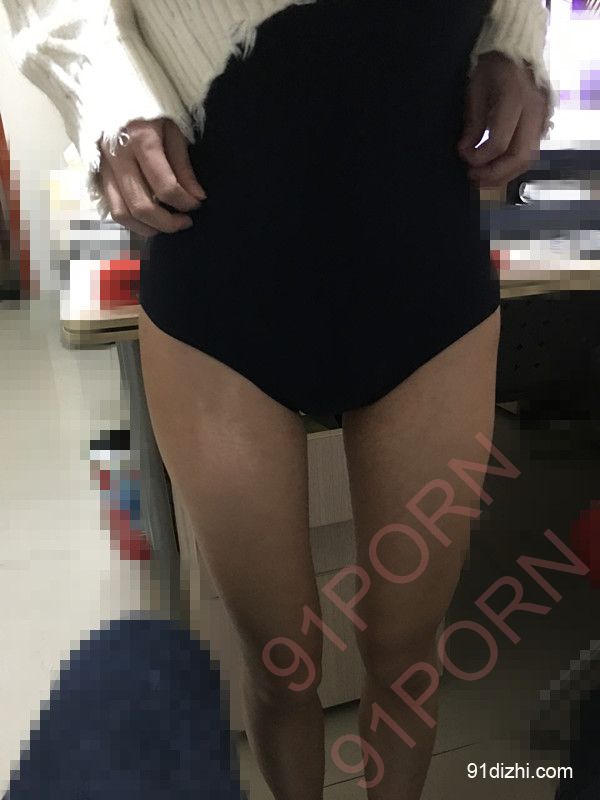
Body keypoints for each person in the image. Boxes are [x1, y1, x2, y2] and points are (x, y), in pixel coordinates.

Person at [3, 1, 556, 798]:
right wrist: (101, 87)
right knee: (280, 667)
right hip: (221, 291)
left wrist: (517, 39)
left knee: (406, 656)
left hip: (426, 277)